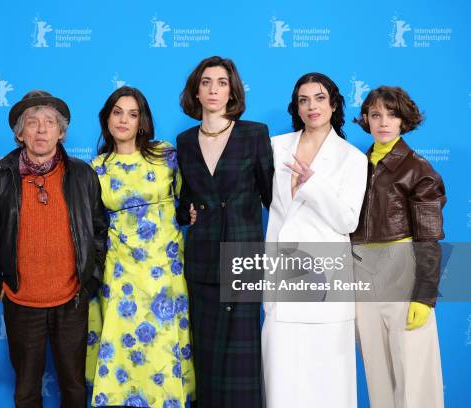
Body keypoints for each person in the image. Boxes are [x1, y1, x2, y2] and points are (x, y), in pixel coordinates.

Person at [0, 90, 108, 407]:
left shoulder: (82, 174)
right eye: (32, 123)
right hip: (21, 300)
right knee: (26, 390)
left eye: (49, 122)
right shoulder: (0, 177)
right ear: (20, 133)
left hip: (71, 299)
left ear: (61, 132)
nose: (40, 130)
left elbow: (99, 231)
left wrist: (90, 279)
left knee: (75, 387)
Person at [262, 73, 367, 408]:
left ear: (333, 104)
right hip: (281, 278)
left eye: (320, 98)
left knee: (328, 386)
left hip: (326, 282)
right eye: (304, 100)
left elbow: (348, 220)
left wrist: (313, 184)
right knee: (281, 383)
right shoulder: (276, 147)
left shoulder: (352, 158)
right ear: (296, 106)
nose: (312, 106)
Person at [86, 86, 195, 408]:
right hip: (120, 273)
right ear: (106, 118)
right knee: (122, 351)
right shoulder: (96, 167)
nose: (124, 120)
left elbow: (189, 199)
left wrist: (189, 213)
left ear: (142, 121)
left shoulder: (165, 155)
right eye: (117, 112)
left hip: (165, 269)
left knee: (163, 349)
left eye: (132, 114)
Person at [176, 56, 274, 408]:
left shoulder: (255, 134)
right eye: (206, 82)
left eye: (221, 81)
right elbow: (184, 200)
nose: (214, 89)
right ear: (196, 91)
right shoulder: (184, 141)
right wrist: (183, 211)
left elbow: (272, 197)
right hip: (201, 261)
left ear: (232, 89)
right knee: (206, 356)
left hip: (244, 259)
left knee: (241, 361)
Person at [351, 86, 446, 408]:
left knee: (415, 375)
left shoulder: (419, 170)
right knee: (377, 375)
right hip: (361, 273)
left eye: (392, 115)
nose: (384, 122)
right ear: (366, 119)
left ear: (404, 120)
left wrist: (424, 296)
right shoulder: (354, 165)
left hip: (402, 273)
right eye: (376, 115)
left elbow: (429, 239)